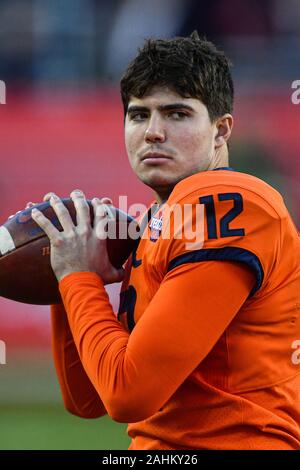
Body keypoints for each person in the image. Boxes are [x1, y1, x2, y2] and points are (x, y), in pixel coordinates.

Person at [31, 32, 300, 450]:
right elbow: (87, 399)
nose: (154, 132)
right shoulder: (158, 221)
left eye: (176, 114)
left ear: (221, 129)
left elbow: (128, 394)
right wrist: (69, 277)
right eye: (139, 115)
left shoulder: (231, 204)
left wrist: (78, 276)